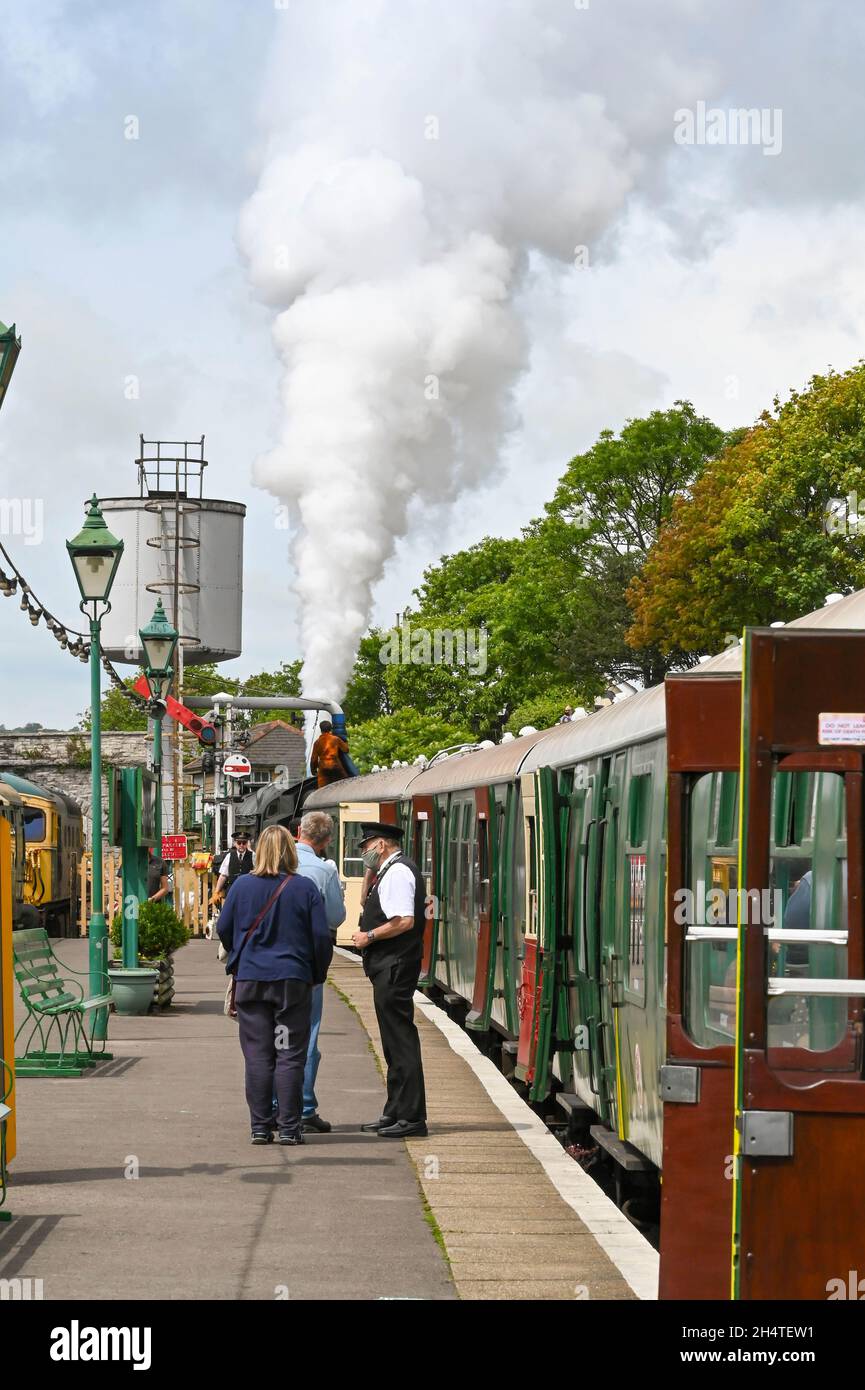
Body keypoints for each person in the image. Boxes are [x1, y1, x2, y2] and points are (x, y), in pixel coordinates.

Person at [217, 824, 332, 1145]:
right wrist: (316, 973)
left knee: (258, 1055)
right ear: (290, 851)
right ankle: (290, 1128)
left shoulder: (241, 888)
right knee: (290, 1054)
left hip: (252, 982)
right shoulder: (304, 888)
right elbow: (321, 938)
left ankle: (260, 1127)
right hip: (292, 983)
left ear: (258, 851)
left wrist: (242, 954)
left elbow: (224, 929)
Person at [351, 822, 428, 1138]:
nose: (364, 853)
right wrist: (370, 876)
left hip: (395, 966)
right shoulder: (387, 872)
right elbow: (363, 903)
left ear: (381, 844)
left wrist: (369, 935)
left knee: (401, 1041)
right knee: (393, 1043)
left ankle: (411, 1117)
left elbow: (403, 921)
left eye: (365, 847)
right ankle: (395, 1110)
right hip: (390, 967)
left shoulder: (397, 873)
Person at [292, 810, 346, 1133]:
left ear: (298, 831)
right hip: (309, 963)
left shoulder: (271, 864)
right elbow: (336, 918)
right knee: (308, 1034)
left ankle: (273, 1105)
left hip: (268, 966)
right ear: (326, 842)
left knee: (275, 1035)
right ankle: (305, 1106)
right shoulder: (322, 871)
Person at [310, 720, 350, 789]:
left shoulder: (317, 742)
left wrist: (313, 770)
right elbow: (346, 750)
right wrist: (345, 741)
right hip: (335, 765)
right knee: (344, 784)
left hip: (323, 767)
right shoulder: (336, 739)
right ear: (330, 729)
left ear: (321, 730)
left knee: (322, 789)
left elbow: (314, 759)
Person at [215, 829, 254, 900]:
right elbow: (223, 875)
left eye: (244, 843)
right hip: (232, 889)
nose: (241, 845)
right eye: (239, 843)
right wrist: (216, 892)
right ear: (235, 843)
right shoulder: (229, 856)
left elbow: (259, 871)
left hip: (248, 890)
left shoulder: (253, 855)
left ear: (247, 843)